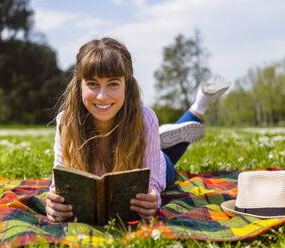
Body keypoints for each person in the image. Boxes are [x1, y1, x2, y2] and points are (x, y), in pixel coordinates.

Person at [46, 37, 231, 223]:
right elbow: (59, 181)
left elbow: (153, 184)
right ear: (79, 85)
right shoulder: (66, 121)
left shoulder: (145, 119)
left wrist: (153, 198)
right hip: (140, 143)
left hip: (154, 164)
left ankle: (200, 105)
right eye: (92, 84)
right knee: (159, 150)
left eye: (113, 83)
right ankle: (164, 134)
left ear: (127, 85)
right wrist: (54, 202)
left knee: (167, 163)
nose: (102, 96)